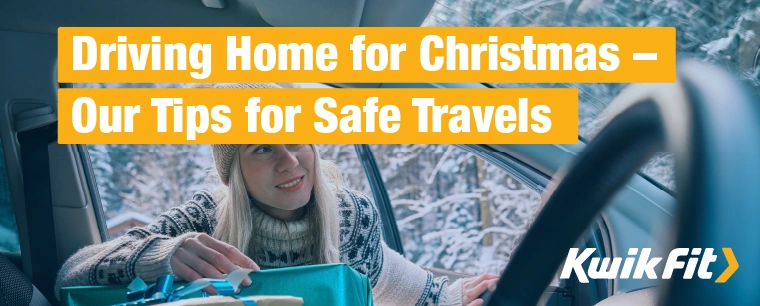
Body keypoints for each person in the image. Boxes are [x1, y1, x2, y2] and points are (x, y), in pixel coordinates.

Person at [54, 83, 500, 306]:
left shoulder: (351, 217)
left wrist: (459, 295)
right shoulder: (203, 222)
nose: (290, 161)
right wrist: (160, 256)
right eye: (263, 147)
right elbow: (70, 275)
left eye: (298, 139)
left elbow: (407, 287)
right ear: (234, 170)